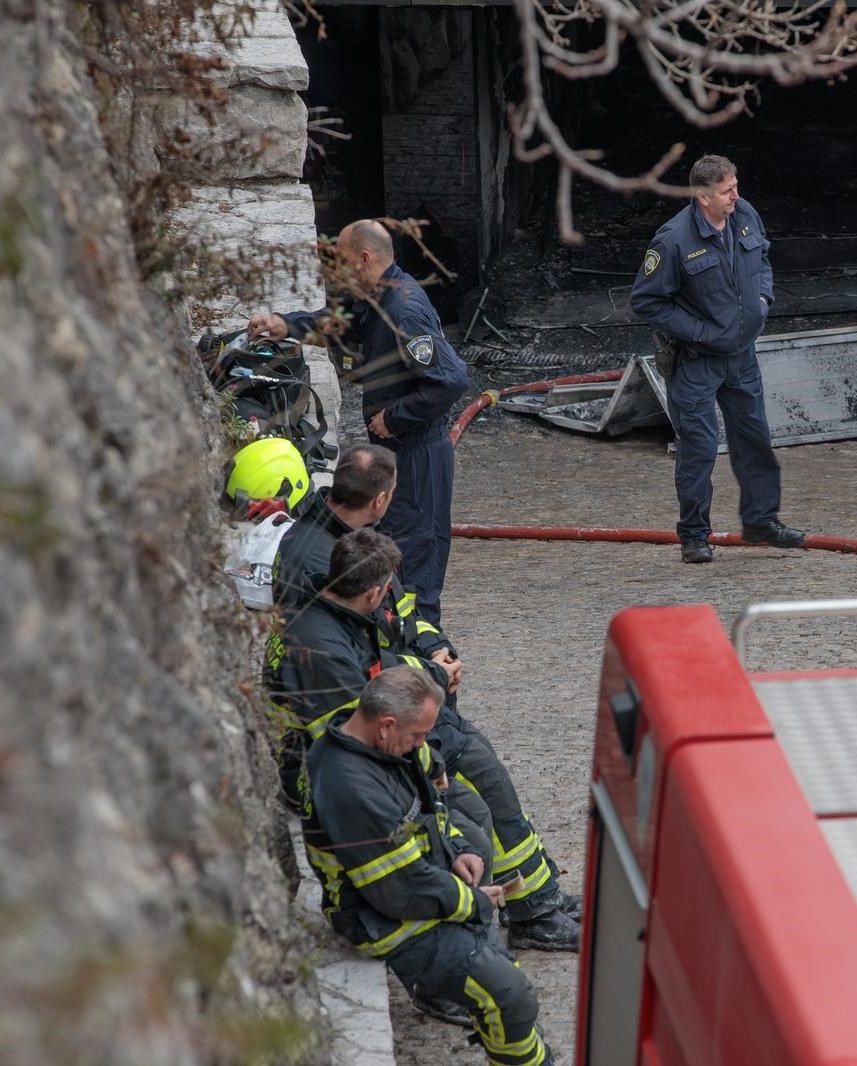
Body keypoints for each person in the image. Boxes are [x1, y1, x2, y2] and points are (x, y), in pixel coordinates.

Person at [273, 463, 582, 953]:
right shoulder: (323, 592)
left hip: (404, 701)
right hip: (392, 726)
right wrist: (431, 683)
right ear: (380, 498)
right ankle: (533, 911)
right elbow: (362, 700)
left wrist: (437, 652)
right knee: (482, 785)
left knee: (489, 779)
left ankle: (540, 893)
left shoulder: (351, 550)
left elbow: (400, 616)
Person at [264, 528, 489, 1026]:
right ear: (373, 592)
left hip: (362, 763)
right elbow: (356, 736)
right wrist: (424, 775)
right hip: (335, 778)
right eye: (388, 590)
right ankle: (439, 974)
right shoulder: (322, 644)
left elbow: (377, 700)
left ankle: (464, 949)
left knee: (473, 820)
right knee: (459, 839)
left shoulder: (335, 618)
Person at [309, 669, 554, 1066]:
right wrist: (474, 902)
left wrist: (456, 849)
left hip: (415, 888)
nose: (423, 746)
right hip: (379, 920)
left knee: (508, 984)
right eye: (418, 736)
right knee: (509, 993)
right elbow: (400, 891)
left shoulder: (378, 745)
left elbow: (428, 806)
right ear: (387, 724)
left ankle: (511, 1024)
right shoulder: (352, 788)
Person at [248, 219, 469, 626]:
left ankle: (424, 660)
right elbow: (341, 319)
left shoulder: (405, 310)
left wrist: (394, 418)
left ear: (364, 258)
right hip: (397, 450)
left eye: (341, 262)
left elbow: (451, 380)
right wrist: (287, 324)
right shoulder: (376, 295)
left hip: (418, 453)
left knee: (414, 560)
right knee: (390, 555)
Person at [630, 154, 806, 565]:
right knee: (699, 450)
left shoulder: (744, 214)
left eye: (736, 185)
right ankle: (694, 535)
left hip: (742, 357)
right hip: (696, 363)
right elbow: (647, 301)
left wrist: (763, 299)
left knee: (754, 440)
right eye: (727, 190)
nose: (736, 195)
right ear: (703, 195)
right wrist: (700, 331)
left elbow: (762, 257)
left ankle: (762, 522)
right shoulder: (673, 240)